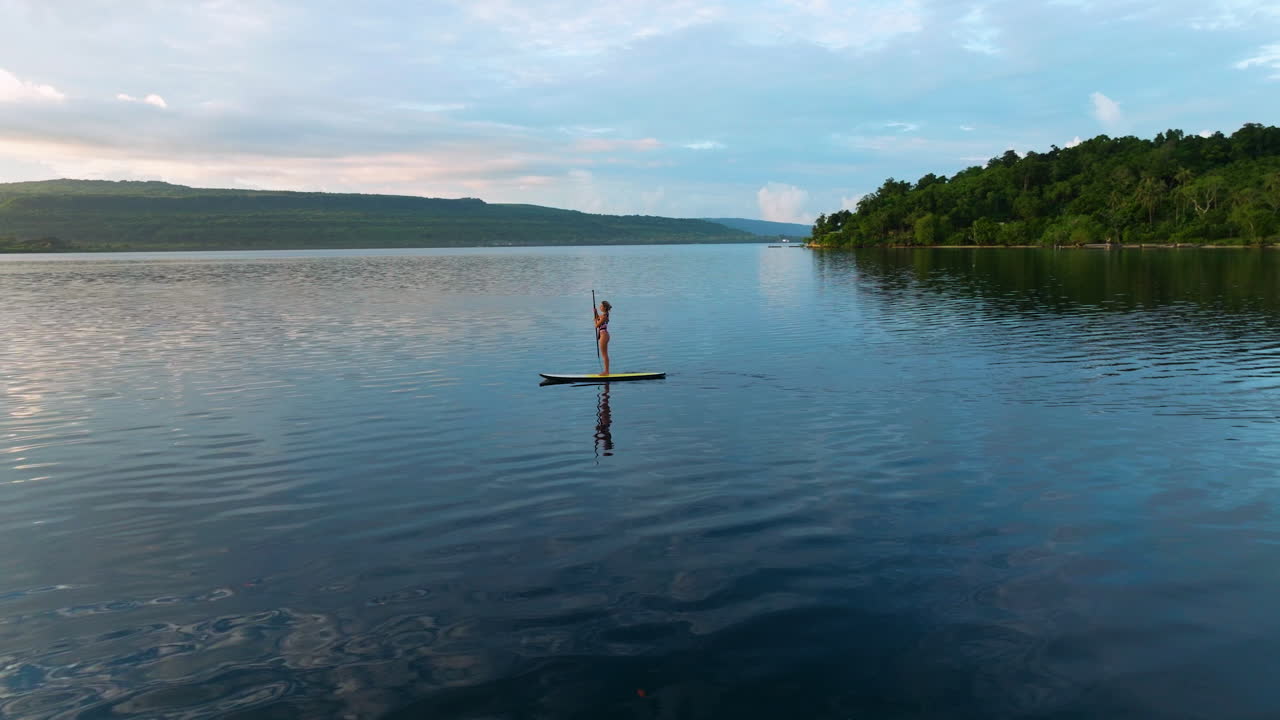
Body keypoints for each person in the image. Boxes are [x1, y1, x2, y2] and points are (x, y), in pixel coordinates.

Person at [594, 300, 612, 376]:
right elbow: (598, 318)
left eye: (601, 306)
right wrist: (595, 313)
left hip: (604, 335)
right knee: (604, 354)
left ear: (604, 307)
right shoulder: (604, 315)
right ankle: (606, 371)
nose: (600, 307)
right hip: (604, 335)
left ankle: (606, 372)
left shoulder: (604, 316)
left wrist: (595, 320)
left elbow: (596, 325)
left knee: (604, 355)